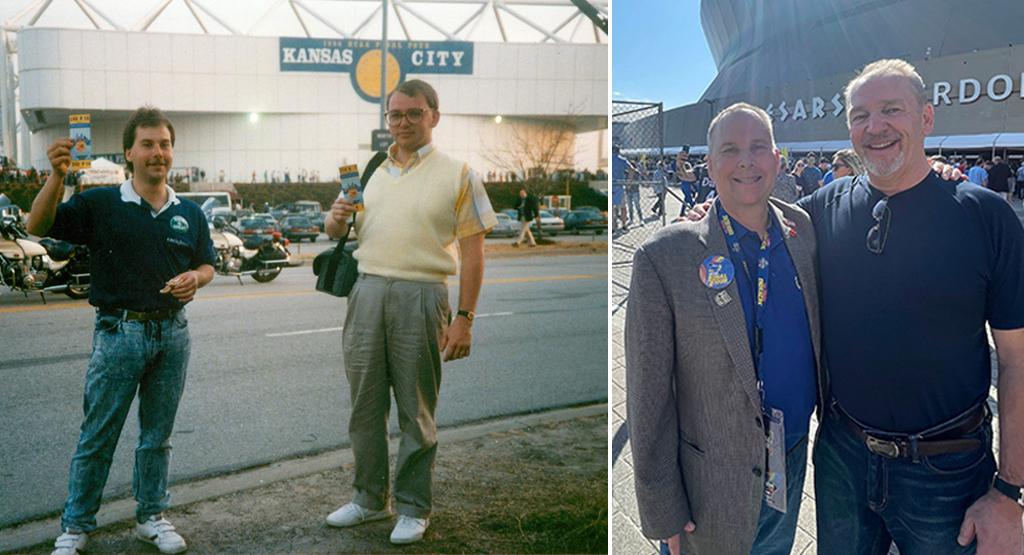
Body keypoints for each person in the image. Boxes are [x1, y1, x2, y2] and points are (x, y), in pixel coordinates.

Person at [801, 59, 1024, 555]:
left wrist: (1009, 492)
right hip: (842, 457)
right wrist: (709, 215)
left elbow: (1017, 359)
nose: (874, 126)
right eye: (860, 115)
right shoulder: (820, 209)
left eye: (891, 110)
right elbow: (759, 227)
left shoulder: (985, 217)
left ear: (926, 119)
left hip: (947, 471)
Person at [627, 103, 821, 555]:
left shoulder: (803, 229)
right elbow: (647, 397)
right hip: (708, 482)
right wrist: (663, 511)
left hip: (789, 460)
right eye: (730, 150)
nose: (746, 161)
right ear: (710, 164)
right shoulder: (665, 257)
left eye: (758, 148)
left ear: (777, 158)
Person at [27, 106, 215, 555]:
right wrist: (56, 176)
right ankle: (75, 526)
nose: (158, 153)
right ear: (129, 152)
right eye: (147, 144)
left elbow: (207, 263)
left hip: (172, 334)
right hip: (119, 333)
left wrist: (198, 278)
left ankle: (152, 516)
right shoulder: (101, 205)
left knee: (157, 435)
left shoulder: (188, 211)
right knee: (98, 434)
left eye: (164, 144)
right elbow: (38, 225)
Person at [323, 79, 497, 545]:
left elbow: (474, 253)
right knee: (364, 406)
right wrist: (337, 217)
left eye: (413, 114)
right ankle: (367, 499)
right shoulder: (371, 170)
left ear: (434, 116)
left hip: (422, 296)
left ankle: (414, 506)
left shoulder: (459, 173)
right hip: (366, 293)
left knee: (416, 409)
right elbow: (335, 229)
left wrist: (465, 317)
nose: (402, 123)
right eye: (395, 115)